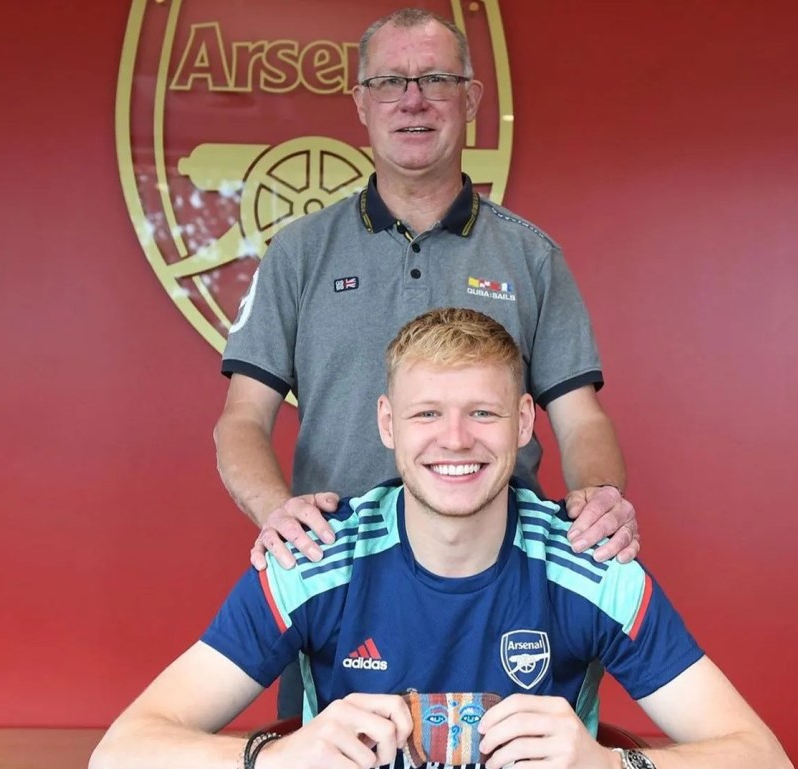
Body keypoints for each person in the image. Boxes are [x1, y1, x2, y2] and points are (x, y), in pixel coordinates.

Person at [92, 308, 792, 769]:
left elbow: (762, 756)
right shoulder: (314, 557)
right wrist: (277, 758)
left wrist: (610, 765)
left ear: (524, 422)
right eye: (427, 413)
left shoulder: (590, 564)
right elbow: (123, 749)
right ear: (388, 424)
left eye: (482, 412)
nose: (455, 440)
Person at [215, 7, 637, 718]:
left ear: (470, 100)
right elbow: (238, 423)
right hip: (337, 595)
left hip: (501, 602)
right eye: (390, 82)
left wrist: (600, 499)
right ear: (361, 104)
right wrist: (273, 513)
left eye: (436, 79)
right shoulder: (299, 253)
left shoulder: (531, 257)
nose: (413, 100)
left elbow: (581, 417)